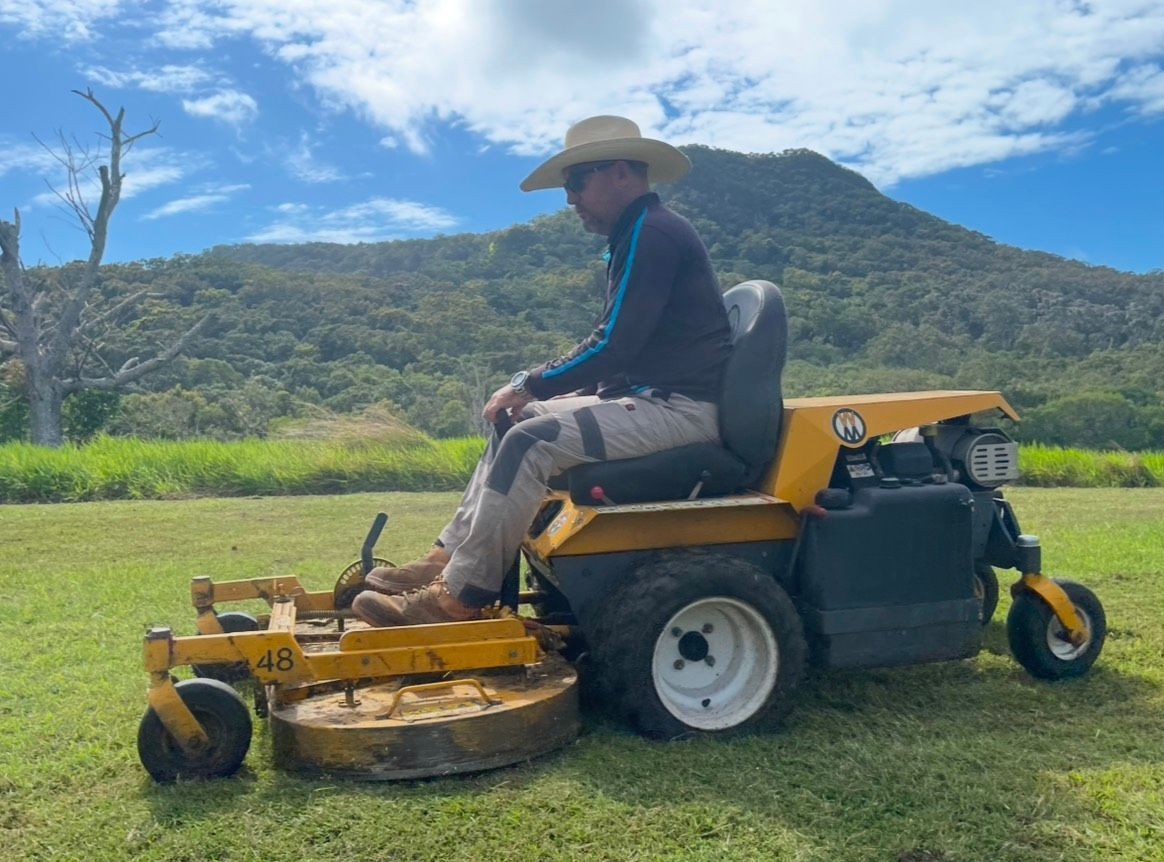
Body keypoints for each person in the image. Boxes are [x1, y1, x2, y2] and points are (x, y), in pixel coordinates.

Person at [351, 115, 732, 627]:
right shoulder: (636, 235)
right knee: (516, 421)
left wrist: (526, 383)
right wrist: (527, 392)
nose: (570, 198)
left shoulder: (653, 233)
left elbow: (613, 344)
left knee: (532, 438)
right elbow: (615, 344)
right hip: (649, 396)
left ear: (621, 172)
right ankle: (449, 556)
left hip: (680, 408)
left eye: (576, 181)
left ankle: (460, 598)